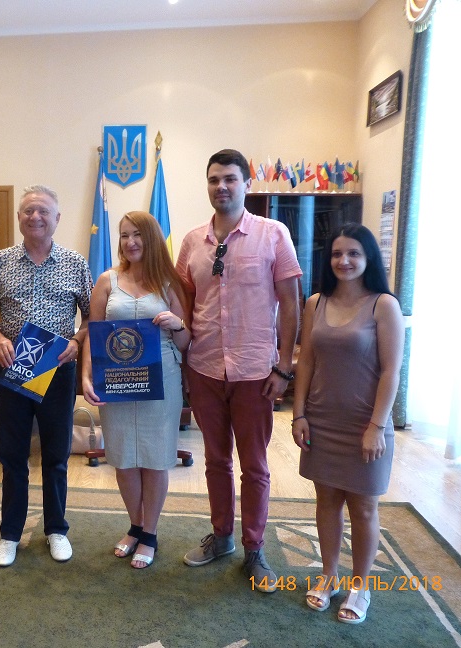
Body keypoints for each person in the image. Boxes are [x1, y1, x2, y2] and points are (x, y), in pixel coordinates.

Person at [176, 149, 302, 592]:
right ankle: (222, 536)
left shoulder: (273, 234)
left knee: (255, 466)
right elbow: (184, 306)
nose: (221, 187)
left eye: (230, 179)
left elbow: (291, 305)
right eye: (214, 179)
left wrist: (284, 368)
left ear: (247, 184)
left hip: (254, 372)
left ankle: (254, 548)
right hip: (205, 368)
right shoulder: (191, 243)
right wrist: (183, 366)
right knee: (215, 460)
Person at [292, 224, 404, 624]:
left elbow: (391, 371)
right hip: (322, 420)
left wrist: (377, 425)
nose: (344, 261)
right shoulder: (315, 302)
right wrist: (299, 413)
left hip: (365, 424)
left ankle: (361, 586)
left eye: (354, 253)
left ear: (368, 258)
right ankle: (328, 575)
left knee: (363, 507)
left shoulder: (383, 305)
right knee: (326, 502)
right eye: (337, 253)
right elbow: (306, 361)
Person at [0, 185, 93, 567]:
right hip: (17, 367)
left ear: (57, 218)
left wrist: (77, 340)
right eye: (28, 211)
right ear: (19, 218)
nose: (35, 217)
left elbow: (92, 314)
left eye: (43, 211)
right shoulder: (0, 261)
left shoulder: (75, 263)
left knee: (56, 454)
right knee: (12, 454)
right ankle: (10, 534)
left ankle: (56, 529)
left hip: (58, 368)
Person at [81, 211, 191, 569]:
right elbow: (92, 333)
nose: (130, 242)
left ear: (151, 238)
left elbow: (186, 342)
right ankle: (135, 526)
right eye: (124, 235)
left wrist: (177, 324)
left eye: (137, 234)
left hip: (161, 378)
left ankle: (150, 534)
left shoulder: (169, 283)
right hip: (115, 380)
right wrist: (86, 376)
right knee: (123, 456)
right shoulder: (107, 280)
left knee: (156, 457)